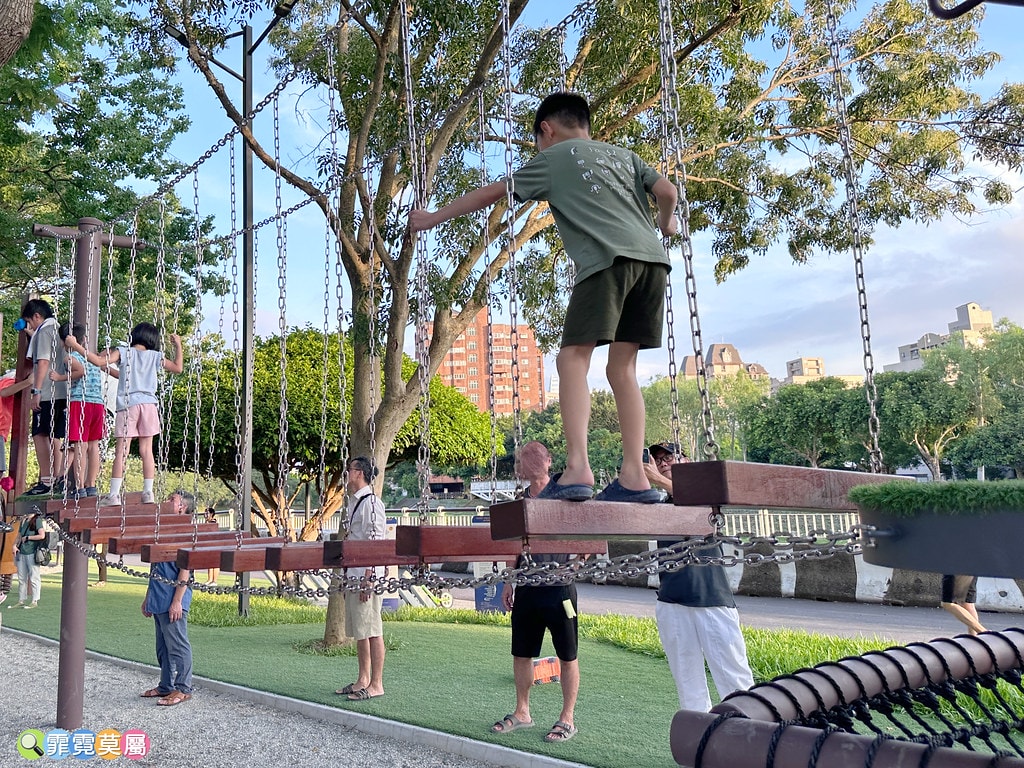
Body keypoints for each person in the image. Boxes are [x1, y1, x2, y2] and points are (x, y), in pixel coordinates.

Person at [410, 92, 676, 504]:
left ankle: (577, 468)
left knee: (571, 359)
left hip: (606, 262)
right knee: (622, 369)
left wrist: (430, 219)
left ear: (546, 130)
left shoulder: (553, 158)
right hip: (653, 264)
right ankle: (636, 478)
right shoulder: (625, 156)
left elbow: (488, 195)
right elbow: (668, 191)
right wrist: (665, 223)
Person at [649, 446, 754, 711]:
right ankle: (698, 737)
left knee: (735, 678)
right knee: (688, 683)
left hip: (711, 599)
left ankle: (753, 735)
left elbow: (702, 510)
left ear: (688, 461)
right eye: (658, 460)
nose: (662, 463)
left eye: (669, 457)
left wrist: (660, 479)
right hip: (672, 600)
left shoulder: (706, 496)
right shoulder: (660, 506)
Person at [490, 441, 580, 743]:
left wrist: (577, 563)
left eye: (533, 456)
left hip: (560, 587)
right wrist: (509, 581)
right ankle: (522, 711)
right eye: (521, 458)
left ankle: (567, 718)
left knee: (568, 654)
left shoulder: (565, 493)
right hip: (527, 586)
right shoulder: (519, 500)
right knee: (522, 653)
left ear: (548, 460)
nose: (527, 462)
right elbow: (511, 544)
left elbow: (588, 534)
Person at [64, 322, 183, 506]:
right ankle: (148, 492)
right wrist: (178, 346)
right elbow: (178, 368)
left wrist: (75, 345)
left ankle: (113, 495)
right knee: (146, 450)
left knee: (122, 451)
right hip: (149, 404)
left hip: (128, 405)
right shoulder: (155, 356)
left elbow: (98, 361)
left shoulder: (124, 352)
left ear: (134, 336)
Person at [335, 456, 387, 702]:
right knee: (360, 631)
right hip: (355, 575)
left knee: (373, 629)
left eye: (349, 469)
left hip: (365, 577)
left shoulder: (372, 503)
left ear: (359, 473)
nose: (346, 473)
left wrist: (369, 578)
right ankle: (362, 679)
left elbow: (376, 542)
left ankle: (376, 683)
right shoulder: (357, 502)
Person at [21, 299, 69, 496]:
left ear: (37, 316)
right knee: (55, 435)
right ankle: (56, 477)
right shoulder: (57, 329)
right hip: (61, 391)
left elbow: (42, 362)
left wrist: (36, 391)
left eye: (29, 321)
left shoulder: (43, 332)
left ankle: (46, 479)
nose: (30, 326)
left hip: (47, 392)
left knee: (40, 435)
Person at [139, 537, 194, 706]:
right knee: (163, 648)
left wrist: (177, 601)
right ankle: (166, 686)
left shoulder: (183, 537)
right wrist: (148, 598)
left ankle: (183, 689)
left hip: (172, 601)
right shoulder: (159, 535)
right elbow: (155, 571)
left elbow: (185, 571)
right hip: (159, 600)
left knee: (178, 646)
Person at [10, 509, 47, 609]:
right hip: (21, 551)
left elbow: (42, 535)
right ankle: (21, 600)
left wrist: (28, 538)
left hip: (32, 552)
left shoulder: (37, 520)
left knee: (34, 576)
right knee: (22, 577)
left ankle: (35, 600)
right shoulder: (24, 520)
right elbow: (19, 536)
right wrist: (14, 545)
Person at [203, 507, 220, 585]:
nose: (205, 515)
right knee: (210, 563)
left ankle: (214, 580)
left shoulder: (213, 523)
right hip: (209, 545)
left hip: (214, 545)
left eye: (207, 513)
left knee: (215, 563)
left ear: (211, 514)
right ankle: (210, 579)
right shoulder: (207, 522)